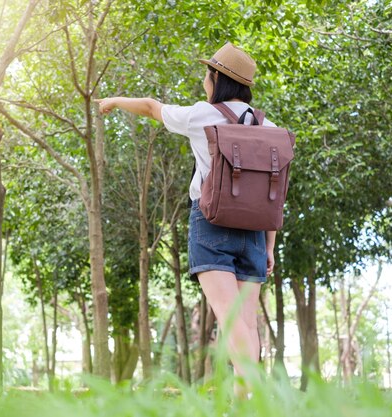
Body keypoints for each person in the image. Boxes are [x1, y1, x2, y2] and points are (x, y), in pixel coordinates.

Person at [95, 42, 276, 396]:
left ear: (217, 80)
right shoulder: (269, 126)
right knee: (245, 324)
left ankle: (258, 393)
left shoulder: (202, 115)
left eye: (207, 75)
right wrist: (269, 246)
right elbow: (273, 192)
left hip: (212, 224)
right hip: (255, 232)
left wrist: (113, 101)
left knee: (228, 318)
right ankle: (248, 406)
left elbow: (150, 107)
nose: (204, 81)